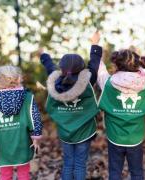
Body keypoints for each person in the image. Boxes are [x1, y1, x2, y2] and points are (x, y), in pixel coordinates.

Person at [40, 31, 102, 180]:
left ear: (61, 68)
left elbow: (50, 68)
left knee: (68, 163)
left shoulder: (55, 83)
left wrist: (43, 55)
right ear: (82, 69)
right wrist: (95, 43)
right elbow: (94, 63)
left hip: (65, 132)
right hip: (84, 132)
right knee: (80, 164)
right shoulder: (87, 80)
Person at [97, 48, 145, 180]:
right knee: (136, 173)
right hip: (135, 138)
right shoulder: (144, 82)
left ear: (116, 64)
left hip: (115, 137)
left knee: (114, 172)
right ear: (137, 64)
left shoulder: (108, 82)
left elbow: (100, 71)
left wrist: (96, 49)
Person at [0, 65, 42, 180]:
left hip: (2, 144)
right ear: (18, 79)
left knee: (5, 174)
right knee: (24, 173)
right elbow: (35, 118)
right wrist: (36, 138)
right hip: (23, 142)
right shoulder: (27, 98)